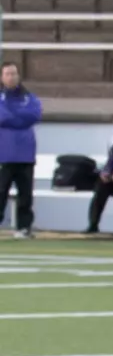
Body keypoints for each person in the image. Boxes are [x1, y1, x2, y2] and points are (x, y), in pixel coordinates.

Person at [0, 62, 42, 239]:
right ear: (2, 77)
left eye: (14, 74)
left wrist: (12, 116)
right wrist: (18, 116)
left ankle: (24, 227)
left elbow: (34, 115)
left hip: (26, 153)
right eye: (8, 74)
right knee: (1, 191)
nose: (11, 77)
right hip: (4, 153)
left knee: (25, 193)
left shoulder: (29, 97)